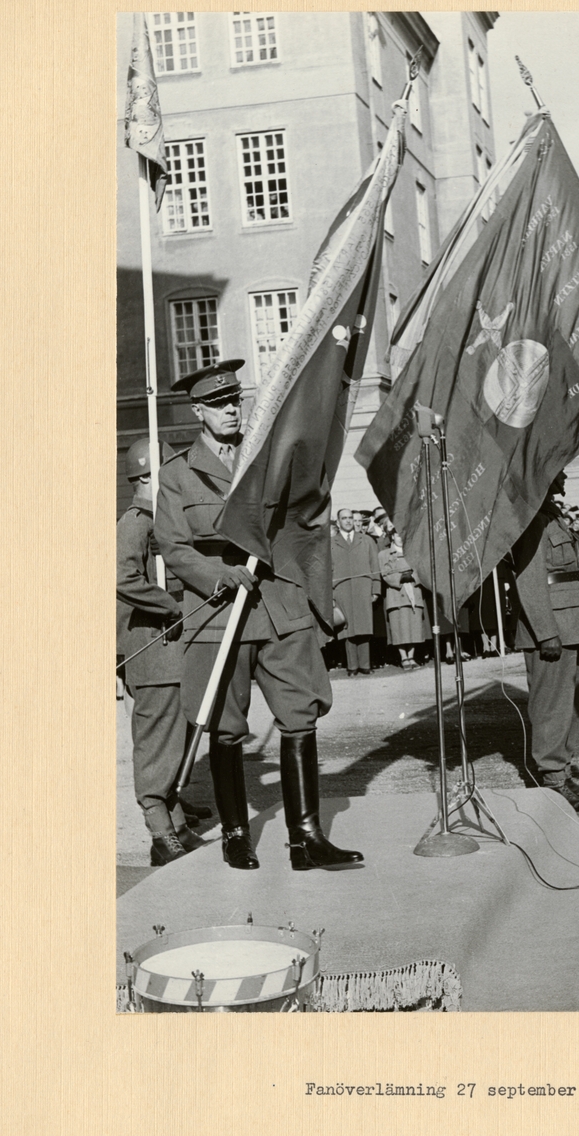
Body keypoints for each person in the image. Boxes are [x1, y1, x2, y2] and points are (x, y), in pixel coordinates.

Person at [155, 360, 363, 873]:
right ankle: (235, 833)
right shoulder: (178, 474)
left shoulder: (268, 459)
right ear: (198, 412)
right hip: (219, 616)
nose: (230, 410)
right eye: (218, 404)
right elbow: (174, 546)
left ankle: (306, 838)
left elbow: (305, 520)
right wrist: (215, 576)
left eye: (235, 401)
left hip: (278, 606)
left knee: (300, 716)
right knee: (225, 728)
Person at [117, 439, 205, 865]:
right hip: (151, 648)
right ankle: (159, 832)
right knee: (156, 743)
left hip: (171, 648)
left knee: (175, 738)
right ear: (149, 477)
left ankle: (176, 823)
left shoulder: (163, 518)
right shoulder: (137, 520)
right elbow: (121, 577)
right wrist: (171, 605)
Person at [511, 471, 579, 812]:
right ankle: (551, 779)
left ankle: (561, 773)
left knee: (567, 704)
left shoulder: (551, 515)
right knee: (551, 706)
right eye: (558, 472)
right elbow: (529, 578)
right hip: (551, 627)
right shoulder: (532, 518)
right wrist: (545, 630)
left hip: (568, 622)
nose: (564, 478)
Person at [331, 507, 381, 675]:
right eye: (344, 518)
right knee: (347, 629)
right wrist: (330, 595)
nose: (348, 521)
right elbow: (326, 571)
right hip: (341, 590)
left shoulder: (367, 540)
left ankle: (365, 665)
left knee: (364, 627)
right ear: (338, 522)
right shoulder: (330, 543)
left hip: (363, 588)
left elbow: (375, 566)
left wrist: (376, 588)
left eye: (350, 518)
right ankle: (352, 666)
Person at [378, 530, 429, 669]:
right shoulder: (384, 554)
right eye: (398, 535)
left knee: (414, 626)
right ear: (392, 537)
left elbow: (423, 569)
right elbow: (385, 573)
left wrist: (414, 577)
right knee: (398, 627)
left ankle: (411, 657)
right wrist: (400, 578)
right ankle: (403, 657)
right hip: (397, 593)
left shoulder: (414, 551)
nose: (401, 538)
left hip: (414, 591)